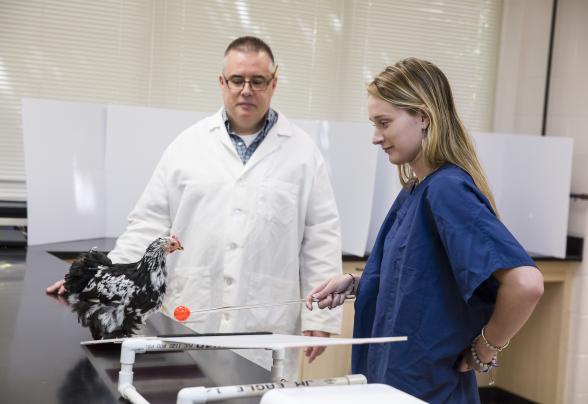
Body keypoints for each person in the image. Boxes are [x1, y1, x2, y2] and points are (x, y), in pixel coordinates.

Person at [47, 36, 342, 376]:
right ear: (222, 82)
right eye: (237, 79)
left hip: (265, 323)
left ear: (273, 83)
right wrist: (96, 280)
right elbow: (148, 225)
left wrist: (320, 315)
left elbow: (320, 236)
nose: (246, 89)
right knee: (185, 393)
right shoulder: (187, 146)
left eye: (258, 81)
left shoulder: (304, 154)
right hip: (194, 313)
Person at [306, 58, 544, 403]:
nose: (376, 138)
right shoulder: (417, 190)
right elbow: (423, 282)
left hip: (427, 389)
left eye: (384, 123)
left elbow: (526, 284)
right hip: (394, 383)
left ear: (423, 117)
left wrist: (485, 348)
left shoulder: (446, 190)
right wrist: (359, 283)